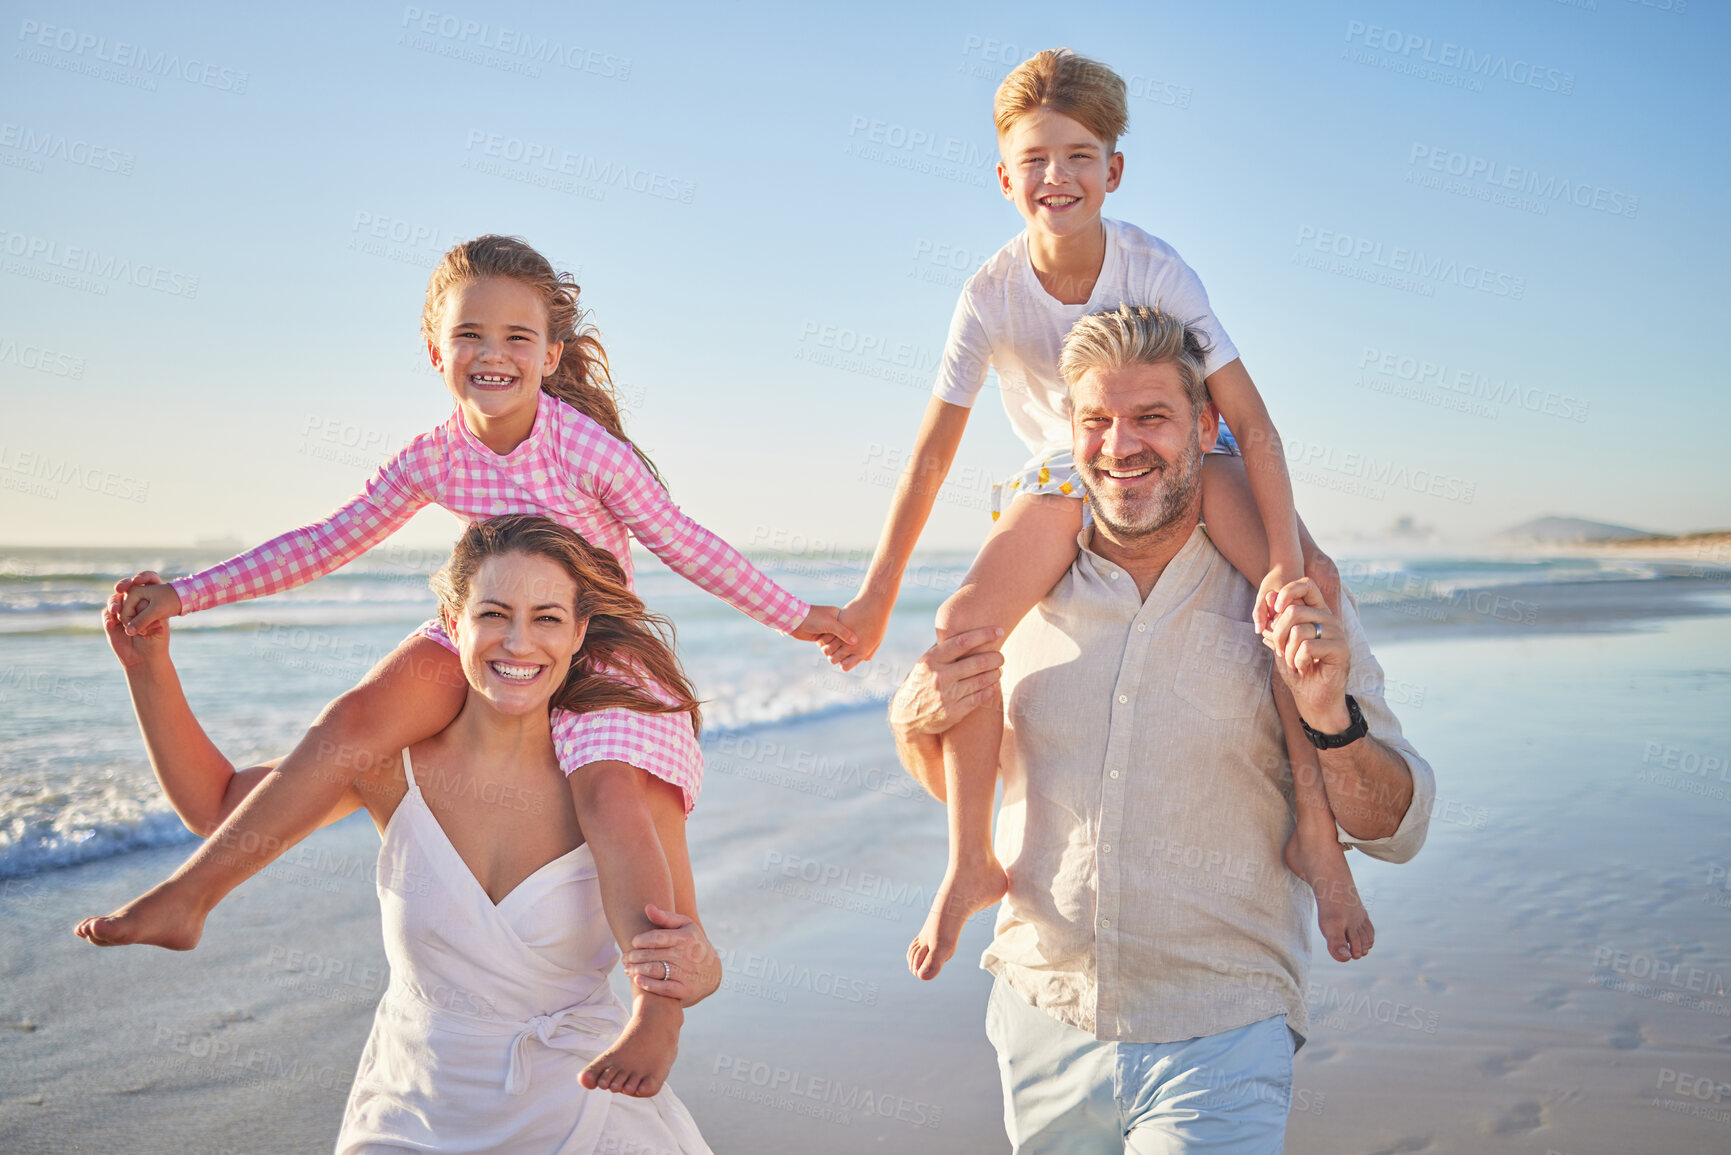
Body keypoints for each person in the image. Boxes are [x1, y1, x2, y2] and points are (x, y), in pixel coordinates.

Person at [81, 234, 855, 1095]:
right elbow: (327, 541)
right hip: (483, 628)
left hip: (598, 632)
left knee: (608, 788)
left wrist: (802, 616)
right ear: (434, 350)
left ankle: (656, 1011)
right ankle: (190, 897)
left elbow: (684, 541)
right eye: (470, 335)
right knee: (353, 720)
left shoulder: (584, 448)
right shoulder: (433, 454)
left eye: (517, 337)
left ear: (550, 354)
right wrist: (184, 598)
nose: (493, 355)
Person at [829, 49, 1365, 981]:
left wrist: (1282, 556)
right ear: (1004, 177)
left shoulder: (1156, 270)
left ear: (1112, 170)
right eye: (1034, 159)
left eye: (1079, 155)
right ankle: (967, 862)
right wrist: (876, 598)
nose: (1056, 177)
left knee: (1295, 596)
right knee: (961, 626)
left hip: (1198, 453)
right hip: (1064, 468)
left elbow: (1249, 418)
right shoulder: (989, 293)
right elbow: (931, 454)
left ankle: (1316, 836)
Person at [889, 306, 1436, 1151]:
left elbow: (1397, 827)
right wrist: (914, 717)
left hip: (1220, 1027)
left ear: (1205, 426)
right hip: (1041, 1016)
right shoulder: (1018, 594)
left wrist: (1331, 719)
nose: (1120, 446)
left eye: (1151, 418)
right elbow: (973, 777)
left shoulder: (1290, 600)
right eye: (1097, 421)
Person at [83, 515, 720, 1151]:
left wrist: (696, 975)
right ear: (452, 625)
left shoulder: (627, 788)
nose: (519, 643)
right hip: (410, 1116)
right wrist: (149, 669)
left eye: (547, 618)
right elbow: (220, 810)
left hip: (588, 1107)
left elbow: (688, 959)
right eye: (494, 614)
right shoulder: (389, 769)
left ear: (579, 632)